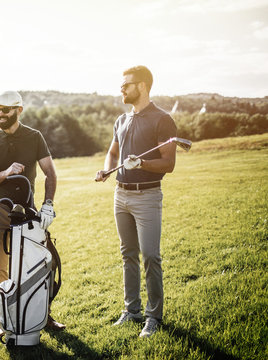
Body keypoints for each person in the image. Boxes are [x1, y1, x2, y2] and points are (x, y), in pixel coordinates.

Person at [95, 66, 177, 338]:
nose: (122, 89)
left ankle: (153, 317)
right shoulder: (121, 119)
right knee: (127, 254)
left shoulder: (162, 120)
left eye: (126, 85)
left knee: (150, 257)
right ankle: (132, 311)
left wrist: (141, 162)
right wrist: (106, 169)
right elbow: (112, 152)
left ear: (142, 86)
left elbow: (168, 163)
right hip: (121, 194)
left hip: (147, 196)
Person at [0, 90, 65, 333]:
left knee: (36, 264)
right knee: (0, 267)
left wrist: (48, 204)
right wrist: (6, 172)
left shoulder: (34, 137)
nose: (1, 115)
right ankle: (2, 318)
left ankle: (42, 316)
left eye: (5, 110)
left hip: (27, 211)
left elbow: (50, 172)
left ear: (19, 110)